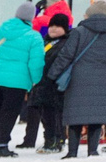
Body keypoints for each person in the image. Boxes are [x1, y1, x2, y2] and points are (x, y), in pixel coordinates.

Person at [50, 0, 106, 157]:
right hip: (105, 78)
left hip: (79, 77)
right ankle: (92, 151)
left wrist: (53, 74)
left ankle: (72, 152)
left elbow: (66, 55)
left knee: (75, 115)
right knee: (97, 116)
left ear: (90, 14)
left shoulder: (79, 31)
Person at [0, 2, 44, 158]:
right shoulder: (34, 36)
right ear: (32, 17)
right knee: (9, 113)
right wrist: (36, 80)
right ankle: (2, 145)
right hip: (17, 81)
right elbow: (36, 63)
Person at [22, 10, 71, 149]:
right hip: (40, 84)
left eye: (58, 26)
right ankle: (51, 139)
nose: (53, 29)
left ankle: (55, 140)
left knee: (53, 115)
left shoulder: (65, 44)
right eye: (52, 26)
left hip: (54, 85)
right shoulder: (44, 41)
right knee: (45, 115)